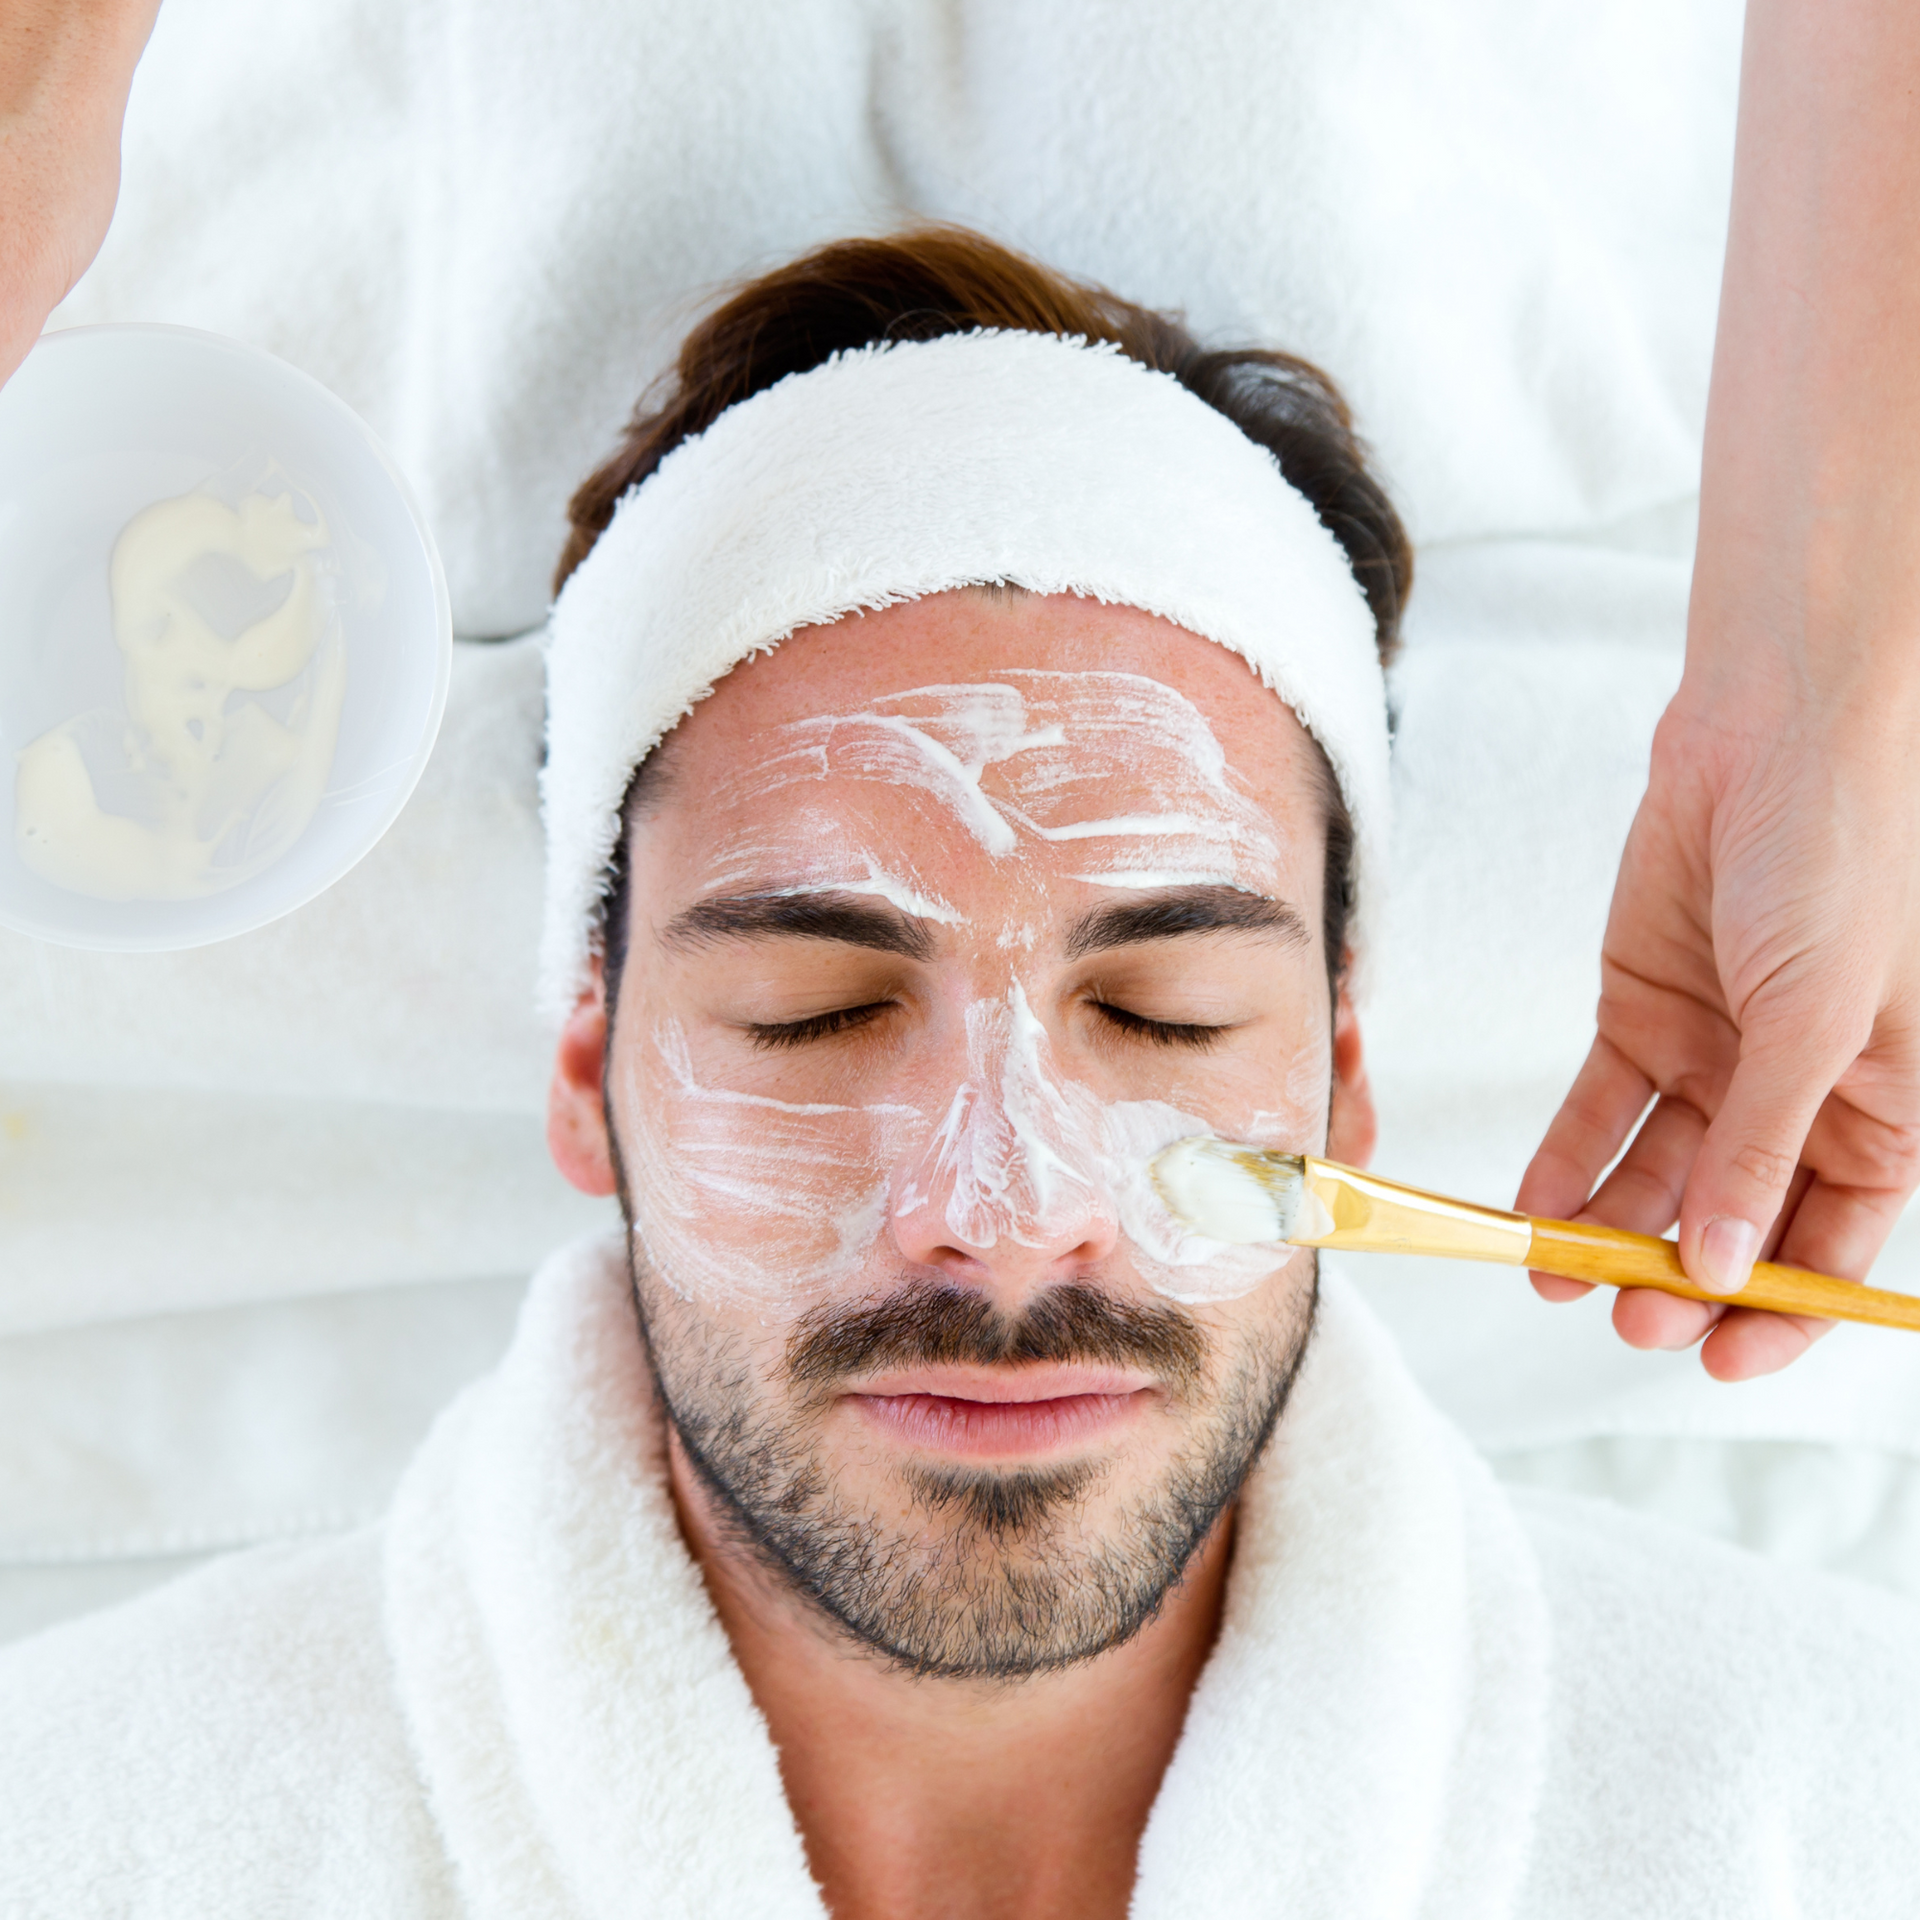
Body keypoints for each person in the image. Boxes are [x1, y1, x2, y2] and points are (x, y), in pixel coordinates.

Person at [3, 230, 1916, 1918]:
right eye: (815, 1012)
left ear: (1341, 1075)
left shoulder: (1841, 1814)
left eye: (1166, 1013)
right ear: (587, 1069)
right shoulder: (75, 1837)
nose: (1002, 1218)